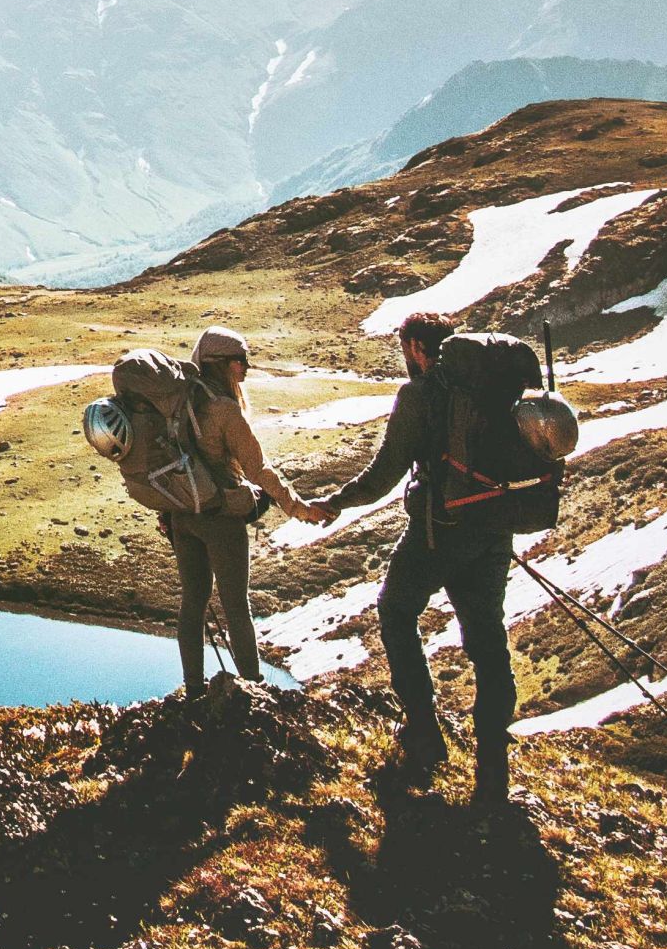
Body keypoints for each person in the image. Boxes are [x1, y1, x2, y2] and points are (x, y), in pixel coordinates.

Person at [305, 311, 520, 803]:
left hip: (439, 531)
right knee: (487, 634)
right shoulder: (495, 390)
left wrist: (335, 502)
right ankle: (493, 767)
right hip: (495, 528)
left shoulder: (420, 394)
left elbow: (384, 473)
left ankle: (424, 732)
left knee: (396, 610)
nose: (405, 359)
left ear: (419, 349)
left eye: (406, 349)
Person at [164, 326, 327, 698]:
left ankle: (193, 689)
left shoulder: (182, 400)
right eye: (240, 362)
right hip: (220, 517)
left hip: (181, 515)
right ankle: (253, 689)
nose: (246, 369)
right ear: (221, 364)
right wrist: (295, 506)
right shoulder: (224, 409)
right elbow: (257, 469)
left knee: (193, 600)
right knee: (236, 603)